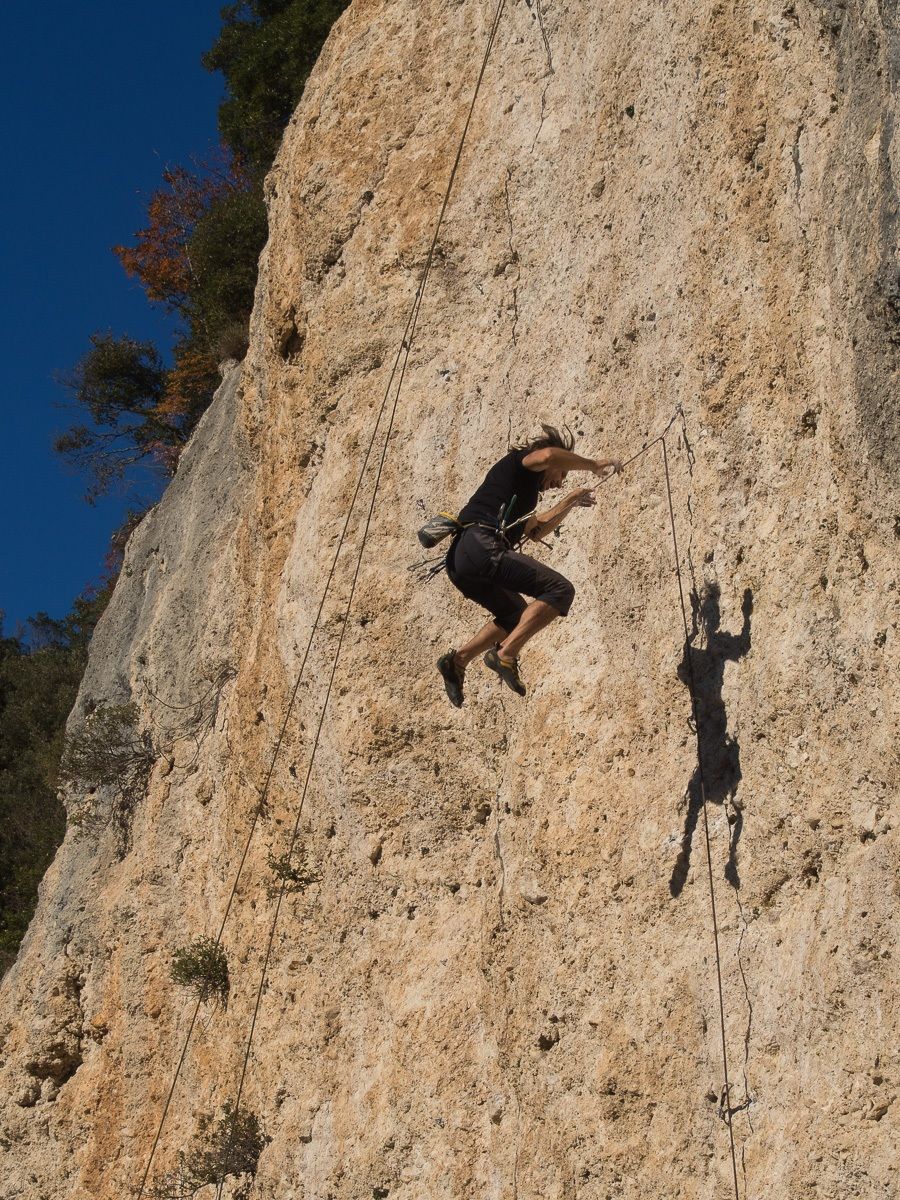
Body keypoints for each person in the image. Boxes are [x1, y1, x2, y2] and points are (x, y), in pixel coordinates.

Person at [437, 424, 622, 706]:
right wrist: (593, 464)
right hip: (481, 545)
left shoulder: (522, 492)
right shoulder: (522, 463)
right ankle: (505, 654)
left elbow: (535, 531)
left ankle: (458, 661)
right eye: (562, 474)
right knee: (560, 590)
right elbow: (548, 456)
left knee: (515, 615)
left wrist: (570, 500)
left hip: (461, 562)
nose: (559, 483)